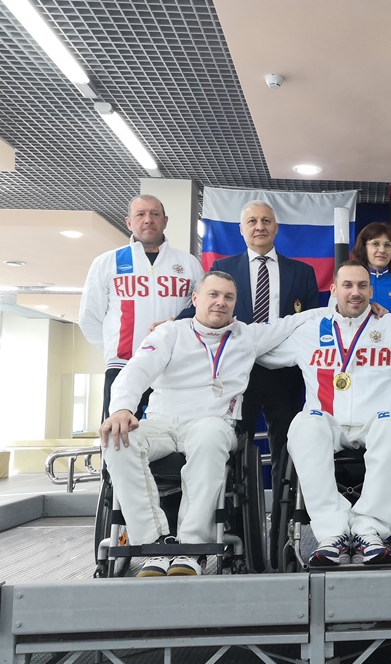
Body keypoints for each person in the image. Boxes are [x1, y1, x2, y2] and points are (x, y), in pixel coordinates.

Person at [100, 271, 316, 577]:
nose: (220, 302)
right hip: (162, 424)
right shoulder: (170, 332)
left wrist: (350, 307)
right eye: (213, 295)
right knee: (117, 439)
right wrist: (122, 409)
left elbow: (294, 321)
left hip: (213, 424)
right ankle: (152, 544)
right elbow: (137, 370)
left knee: (209, 435)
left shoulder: (247, 335)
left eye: (228, 297)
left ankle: (192, 548)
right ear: (195, 299)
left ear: (235, 304)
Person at [257, 261, 391, 566]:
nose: (355, 292)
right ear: (333, 289)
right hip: (327, 422)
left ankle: (369, 531)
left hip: (375, 422)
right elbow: (255, 348)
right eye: (348, 285)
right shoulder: (310, 330)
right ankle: (332, 533)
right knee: (302, 424)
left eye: (362, 285)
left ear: (370, 290)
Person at [190, 201, 321, 469]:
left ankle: (285, 497)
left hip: (285, 371)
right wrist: (172, 321)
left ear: (276, 228)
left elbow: (313, 321)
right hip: (236, 369)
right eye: (252, 221)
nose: (259, 226)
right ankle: (236, 496)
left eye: (266, 221)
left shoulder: (302, 272)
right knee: (235, 442)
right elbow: (204, 308)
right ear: (241, 229)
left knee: (287, 445)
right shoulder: (223, 268)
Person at [79, 194, 203, 419]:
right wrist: (115, 352)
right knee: (120, 433)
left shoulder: (189, 264)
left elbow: (200, 312)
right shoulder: (106, 262)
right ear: (129, 222)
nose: (148, 220)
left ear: (165, 221)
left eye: (155, 214)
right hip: (123, 367)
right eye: (140, 214)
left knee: (174, 434)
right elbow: (90, 317)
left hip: (174, 368)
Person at [351, 222, 391, 315]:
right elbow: (332, 318)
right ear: (364, 247)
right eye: (375, 244)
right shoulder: (347, 283)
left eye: (387, 245)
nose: (382, 250)